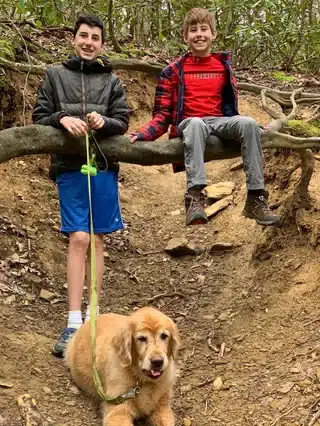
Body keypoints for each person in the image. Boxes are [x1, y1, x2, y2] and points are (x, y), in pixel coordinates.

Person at [33, 13, 129, 357]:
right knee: (79, 238)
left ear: (102, 44)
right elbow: (39, 116)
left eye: (95, 38)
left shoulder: (112, 81)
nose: (89, 42)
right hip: (70, 167)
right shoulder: (55, 76)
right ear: (74, 39)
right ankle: (74, 320)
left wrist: (103, 122)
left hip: (102, 166)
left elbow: (122, 121)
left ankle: (94, 317)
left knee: (98, 239)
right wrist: (62, 118)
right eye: (83, 36)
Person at [129, 8, 280, 227]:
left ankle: (255, 199)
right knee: (196, 124)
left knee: (248, 123)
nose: (199, 34)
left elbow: (232, 112)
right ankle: (195, 197)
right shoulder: (172, 71)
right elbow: (162, 115)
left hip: (219, 121)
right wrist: (145, 133)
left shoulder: (223, 67)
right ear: (185, 37)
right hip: (190, 123)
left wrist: (256, 131)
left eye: (204, 29)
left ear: (213, 35)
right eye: (193, 30)